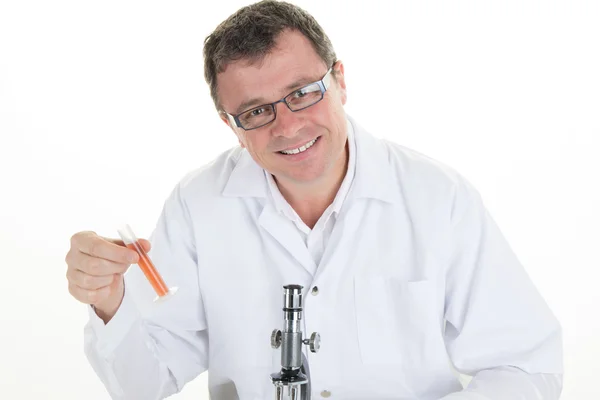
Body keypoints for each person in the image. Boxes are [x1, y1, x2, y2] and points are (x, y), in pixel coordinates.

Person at [64, 1, 563, 399]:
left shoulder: (438, 198)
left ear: (340, 80)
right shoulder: (200, 205)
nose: (288, 125)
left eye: (302, 92)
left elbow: (527, 367)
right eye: (256, 111)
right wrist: (111, 302)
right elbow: (142, 385)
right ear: (231, 127)